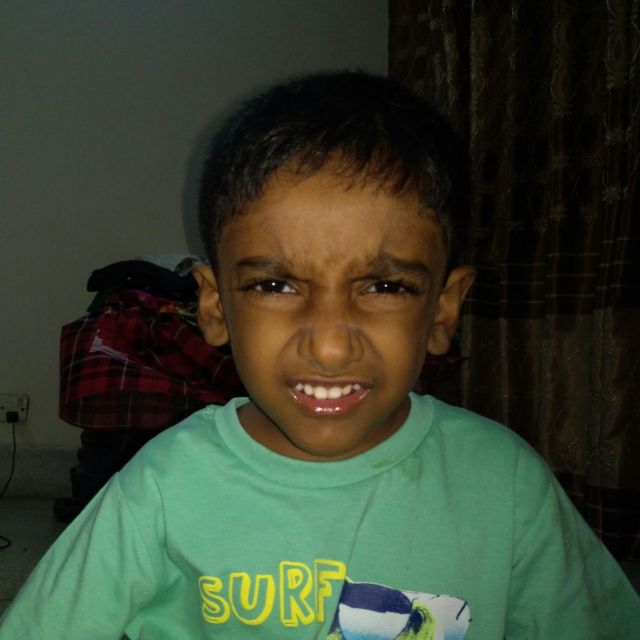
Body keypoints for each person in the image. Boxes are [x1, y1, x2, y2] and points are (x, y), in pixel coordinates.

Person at [1, 71, 638, 640]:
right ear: (216, 306)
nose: (331, 346)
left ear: (444, 310)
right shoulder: (163, 487)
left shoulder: (508, 487)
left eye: (385, 287)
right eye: (275, 285)